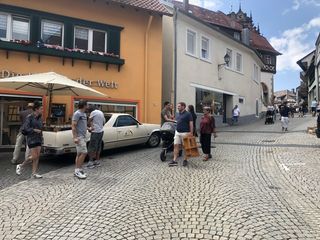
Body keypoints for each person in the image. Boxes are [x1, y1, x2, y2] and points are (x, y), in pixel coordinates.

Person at [16, 101, 43, 179]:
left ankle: (34, 173)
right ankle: (21, 166)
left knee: (37, 156)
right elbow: (26, 128)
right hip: (31, 138)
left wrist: (41, 135)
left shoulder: (40, 117)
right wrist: (34, 130)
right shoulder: (29, 117)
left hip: (38, 138)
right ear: (36, 109)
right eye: (41, 108)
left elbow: (41, 127)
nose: (42, 110)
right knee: (34, 156)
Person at [169, 102, 193, 167]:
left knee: (185, 147)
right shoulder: (178, 114)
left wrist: (191, 133)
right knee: (176, 145)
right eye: (178, 106)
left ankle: (185, 160)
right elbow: (177, 121)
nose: (178, 107)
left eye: (179, 106)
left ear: (183, 107)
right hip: (177, 132)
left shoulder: (188, 114)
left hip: (185, 133)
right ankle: (174, 160)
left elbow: (191, 123)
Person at [72, 100, 89, 179]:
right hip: (79, 136)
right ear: (84, 105)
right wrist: (75, 137)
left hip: (84, 136)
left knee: (79, 154)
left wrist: (88, 128)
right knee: (84, 152)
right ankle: (78, 171)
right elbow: (73, 126)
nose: (88, 106)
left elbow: (83, 125)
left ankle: (78, 169)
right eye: (87, 104)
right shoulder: (77, 113)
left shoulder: (84, 114)